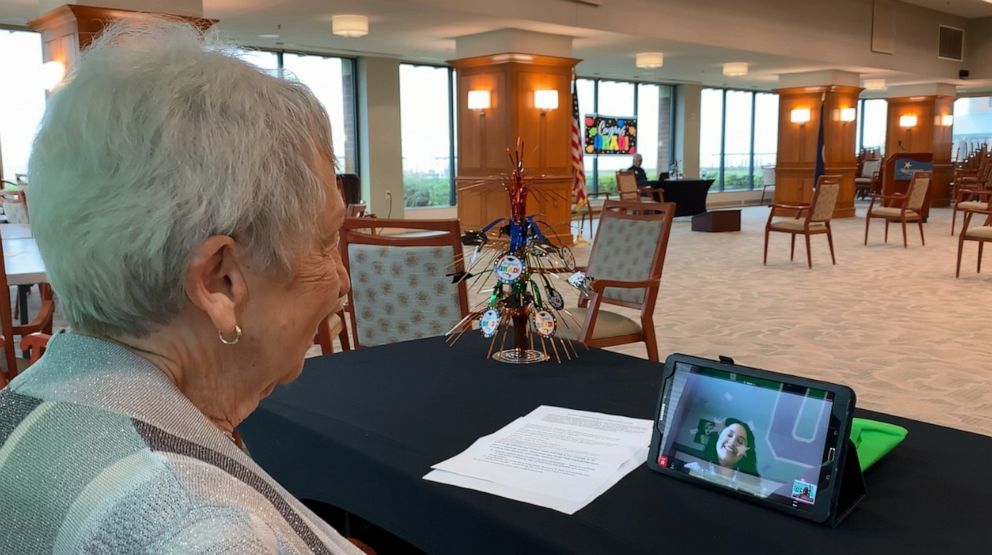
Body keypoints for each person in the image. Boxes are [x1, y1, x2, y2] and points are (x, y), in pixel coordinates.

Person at [0, 20, 362, 553]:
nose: (342, 283)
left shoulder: (23, 404)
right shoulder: (206, 531)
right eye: (326, 241)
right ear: (220, 281)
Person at [685, 418, 760, 479]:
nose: (732, 442)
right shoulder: (692, 470)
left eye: (740, 441)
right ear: (718, 438)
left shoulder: (752, 484)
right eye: (729, 435)